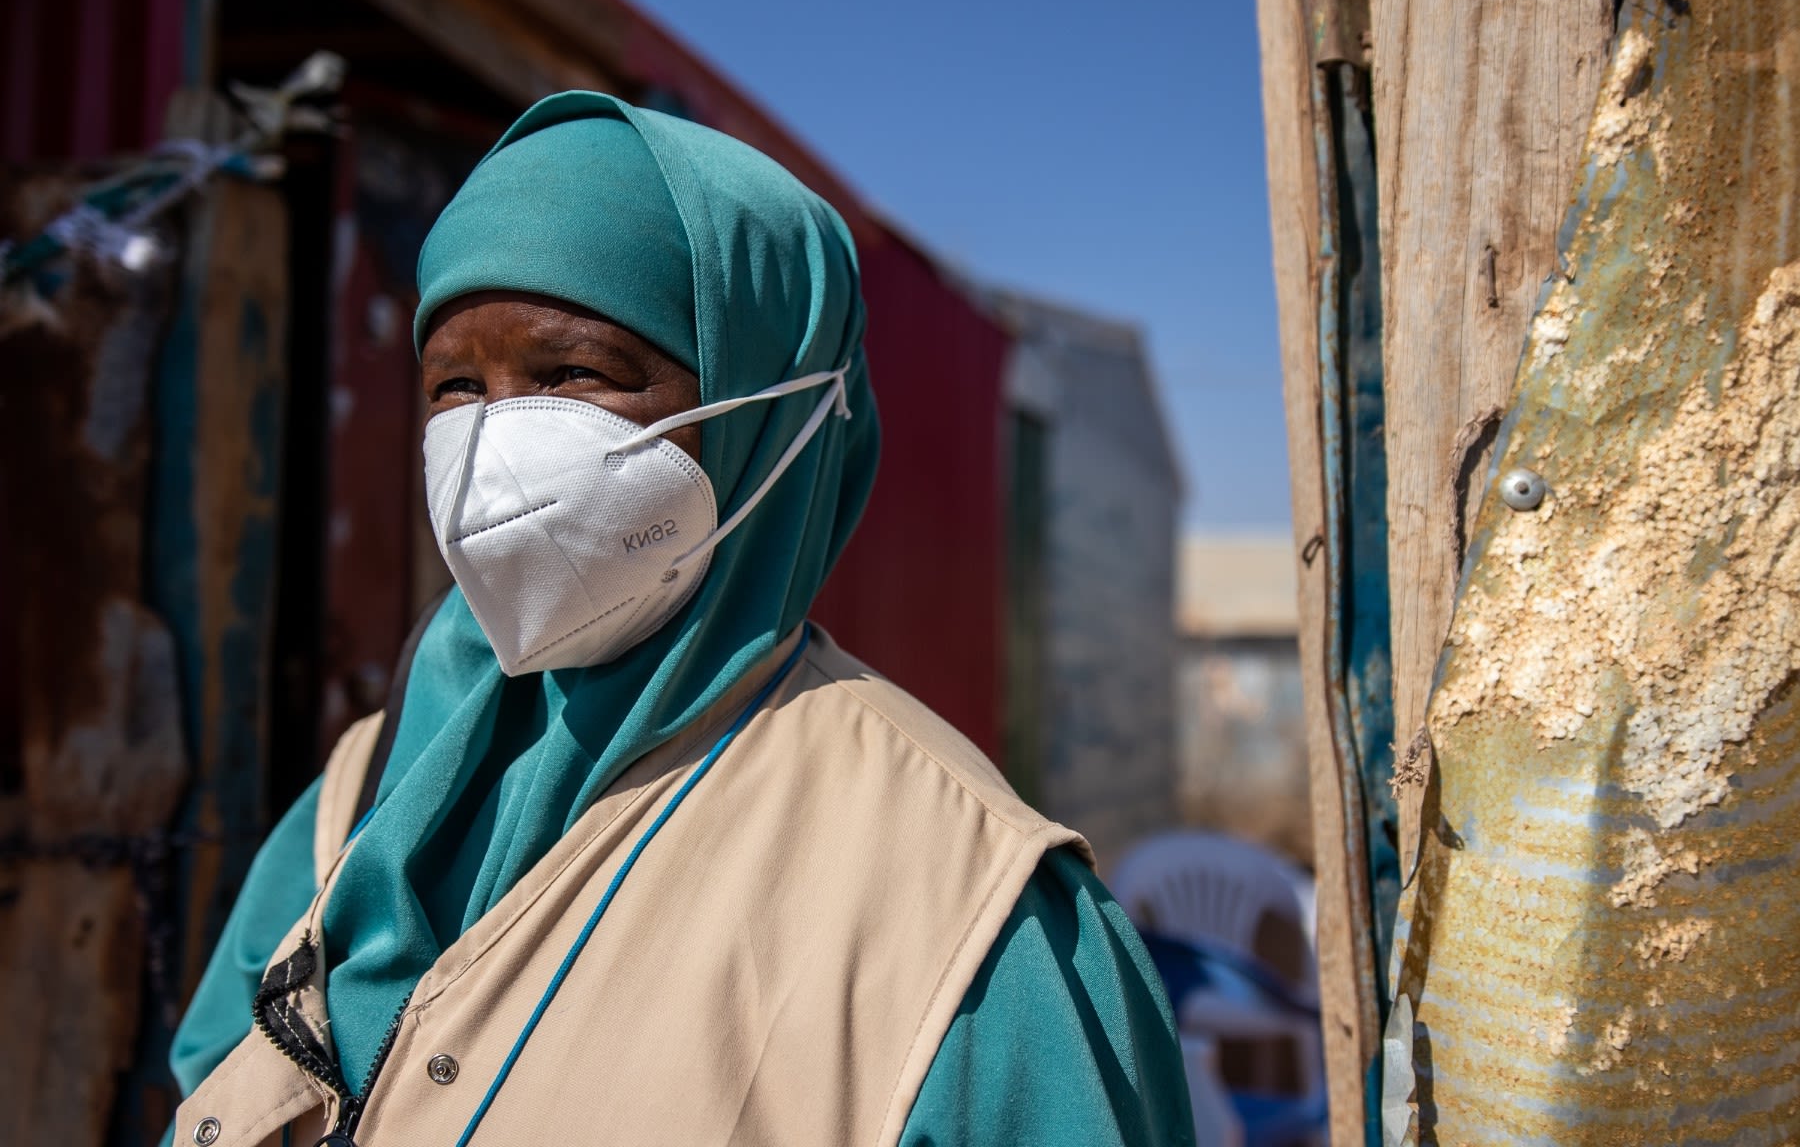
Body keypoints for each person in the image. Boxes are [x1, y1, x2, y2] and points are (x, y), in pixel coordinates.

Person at [167, 92, 1193, 1147]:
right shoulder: (367, 786)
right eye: (454, 385)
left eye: (571, 374)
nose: (492, 445)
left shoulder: (974, 917)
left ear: (777, 408)